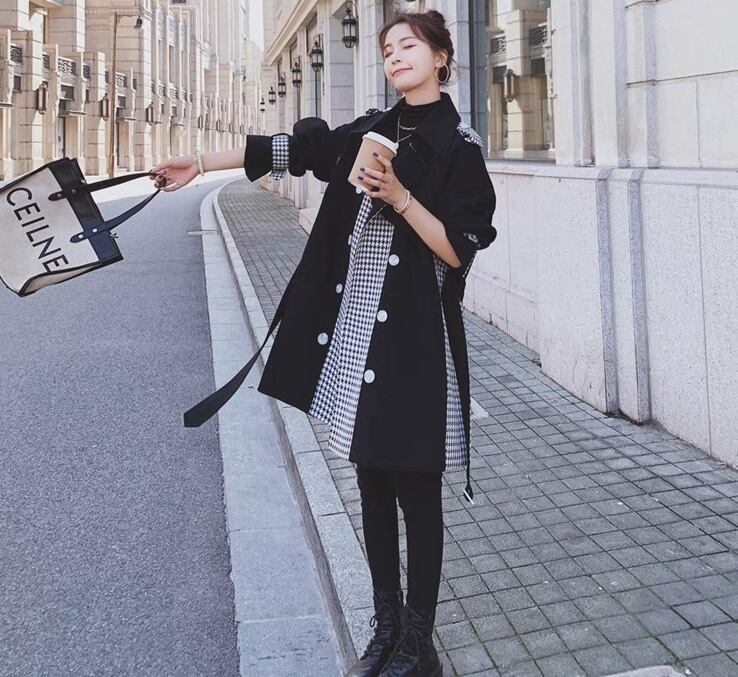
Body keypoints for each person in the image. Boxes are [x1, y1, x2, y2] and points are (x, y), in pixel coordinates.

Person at [149, 9, 497, 677]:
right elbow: (300, 150)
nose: (395, 56)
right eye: (388, 49)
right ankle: (385, 628)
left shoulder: (460, 144)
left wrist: (400, 196)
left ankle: (418, 646)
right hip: (359, 329)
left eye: (409, 46)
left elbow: (458, 249)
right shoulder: (371, 128)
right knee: (371, 480)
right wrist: (203, 162)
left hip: (416, 338)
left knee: (417, 492)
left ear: (441, 57)